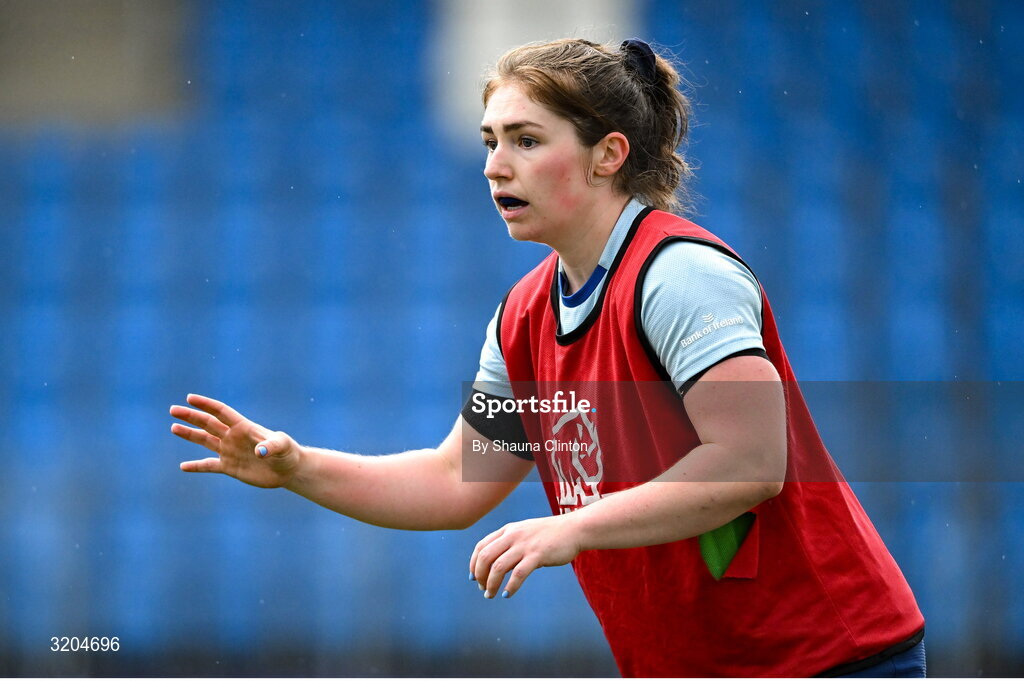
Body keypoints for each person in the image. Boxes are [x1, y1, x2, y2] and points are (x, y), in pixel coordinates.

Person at [171, 38, 925, 677]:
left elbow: (750, 462)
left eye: (527, 140)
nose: (497, 165)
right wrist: (298, 466)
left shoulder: (679, 274)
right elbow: (451, 481)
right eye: (489, 141)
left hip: (830, 653)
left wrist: (573, 526)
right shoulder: (523, 318)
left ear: (608, 155)